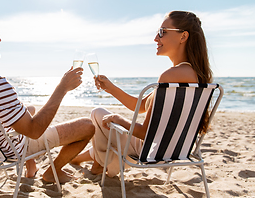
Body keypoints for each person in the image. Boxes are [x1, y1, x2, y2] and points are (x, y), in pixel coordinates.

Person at [0, 8, 95, 183]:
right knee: (87, 126)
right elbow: (34, 131)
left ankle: (31, 166)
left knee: (29, 108)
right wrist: (62, 88)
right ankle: (53, 171)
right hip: (10, 150)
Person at [71, 11, 213, 177]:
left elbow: (144, 133)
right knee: (108, 131)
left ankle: (98, 165)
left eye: (162, 32)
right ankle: (86, 161)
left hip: (152, 151)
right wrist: (111, 88)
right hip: (176, 150)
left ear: (183, 36)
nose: (156, 38)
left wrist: (119, 119)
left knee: (97, 114)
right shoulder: (197, 76)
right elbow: (138, 106)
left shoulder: (170, 76)